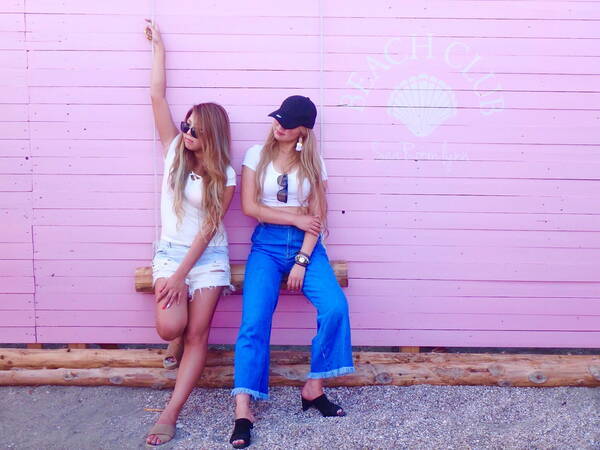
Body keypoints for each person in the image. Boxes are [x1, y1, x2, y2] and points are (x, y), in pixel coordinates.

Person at [229, 96, 355, 448]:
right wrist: (295, 218)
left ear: (303, 130)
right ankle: (243, 409)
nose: (278, 126)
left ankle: (314, 387)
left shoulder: (315, 163)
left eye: (287, 123)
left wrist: (301, 259)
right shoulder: (256, 155)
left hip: (307, 247)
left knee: (335, 307)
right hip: (266, 247)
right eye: (277, 119)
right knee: (254, 321)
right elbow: (250, 207)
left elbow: (317, 218)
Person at [144, 20, 237, 447]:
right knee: (170, 328)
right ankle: (174, 341)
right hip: (170, 252)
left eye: (195, 130)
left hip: (208, 256)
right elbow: (156, 96)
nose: (186, 132)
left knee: (198, 335)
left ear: (211, 136)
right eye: (185, 124)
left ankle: (171, 412)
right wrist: (159, 49)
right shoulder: (172, 152)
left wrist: (184, 275)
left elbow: (209, 229)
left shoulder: (225, 175)